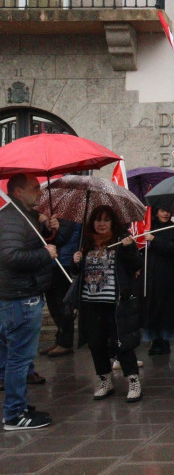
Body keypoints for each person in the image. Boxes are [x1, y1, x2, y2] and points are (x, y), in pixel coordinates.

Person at [71, 206, 143, 403]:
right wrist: (76, 261)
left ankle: (133, 380)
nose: (101, 224)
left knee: (122, 343)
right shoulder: (85, 243)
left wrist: (129, 248)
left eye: (106, 220)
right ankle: (104, 380)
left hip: (115, 302)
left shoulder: (121, 240)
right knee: (96, 343)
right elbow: (78, 273)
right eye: (97, 220)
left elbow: (136, 265)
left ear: (113, 223)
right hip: (90, 302)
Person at [0, 174, 55, 430]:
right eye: (34, 188)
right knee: (19, 360)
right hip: (20, 299)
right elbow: (11, 256)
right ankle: (14, 414)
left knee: (17, 358)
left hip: (23, 295)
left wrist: (47, 231)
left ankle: (18, 406)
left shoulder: (23, 215)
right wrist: (44, 253)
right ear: (19, 191)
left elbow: (25, 243)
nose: (39, 192)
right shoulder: (12, 217)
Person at [41, 219, 80, 358]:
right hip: (54, 264)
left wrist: (50, 225)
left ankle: (66, 343)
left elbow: (59, 239)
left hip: (64, 264)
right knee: (53, 305)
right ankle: (60, 339)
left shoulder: (70, 218)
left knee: (63, 305)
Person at [143, 208, 174, 355]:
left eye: (168, 211)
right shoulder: (149, 227)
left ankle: (165, 341)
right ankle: (154, 340)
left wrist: (154, 239)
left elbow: (172, 248)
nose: (166, 214)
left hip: (166, 274)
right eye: (162, 211)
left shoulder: (172, 228)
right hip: (151, 274)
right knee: (152, 308)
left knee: (165, 309)